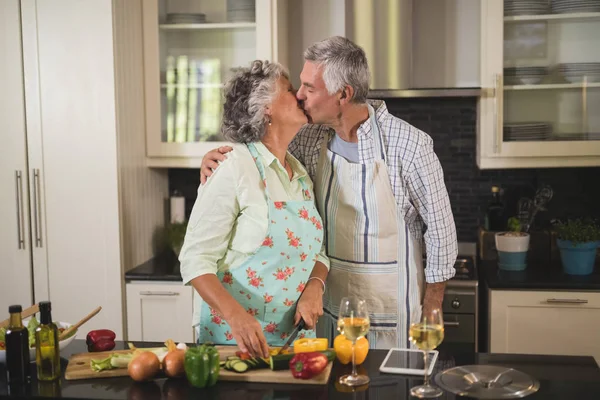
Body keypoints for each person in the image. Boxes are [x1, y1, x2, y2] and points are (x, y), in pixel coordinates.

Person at [200, 37, 457, 349]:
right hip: (324, 306)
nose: (299, 94)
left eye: (309, 87)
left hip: (392, 307)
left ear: (343, 94)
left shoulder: (409, 145)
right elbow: (259, 149)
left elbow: (442, 229)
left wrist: (433, 303)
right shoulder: (308, 139)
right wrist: (217, 159)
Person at [179, 60, 329, 358]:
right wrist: (237, 317)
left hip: (294, 342)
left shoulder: (298, 173)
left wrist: (315, 286)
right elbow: (195, 260)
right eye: (288, 89)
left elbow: (317, 252)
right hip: (235, 342)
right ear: (266, 108)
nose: (299, 94)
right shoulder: (232, 166)